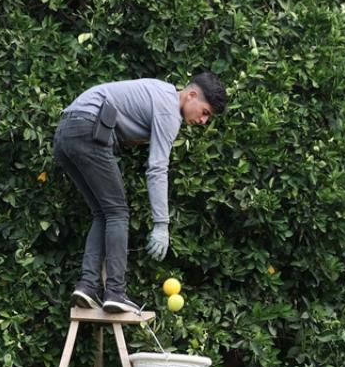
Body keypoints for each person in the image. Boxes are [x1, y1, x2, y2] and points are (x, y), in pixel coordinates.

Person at [53, 73, 227, 313]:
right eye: (205, 112)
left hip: (65, 132)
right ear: (192, 95)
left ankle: (87, 286)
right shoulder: (169, 111)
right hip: (87, 128)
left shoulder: (160, 92)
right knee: (117, 213)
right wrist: (161, 224)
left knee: (102, 213)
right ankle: (115, 291)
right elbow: (157, 168)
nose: (203, 121)